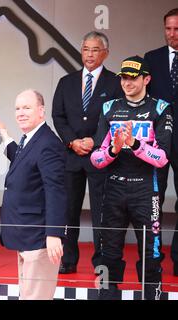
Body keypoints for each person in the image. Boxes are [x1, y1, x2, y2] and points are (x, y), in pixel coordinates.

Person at [91, 56, 172, 300]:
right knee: (108, 253)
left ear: (146, 79)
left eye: (132, 78)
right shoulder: (109, 108)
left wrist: (134, 143)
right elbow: (96, 159)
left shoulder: (160, 108)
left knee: (151, 252)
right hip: (113, 189)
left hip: (146, 192)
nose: (126, 82)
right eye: (123, 77)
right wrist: (114, 150)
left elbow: (162, 158)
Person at [52, 31, 123, 274]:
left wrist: (95, 141)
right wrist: (72, 141)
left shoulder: (115, 82)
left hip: (100, 158)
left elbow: (117, 118)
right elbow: (58, 116)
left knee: (101, 213)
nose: (89, 54)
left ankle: (100, 262)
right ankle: (68, 259)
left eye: (95, 49)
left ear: (105, 53)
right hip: (71, 157)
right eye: (85, 49)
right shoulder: (66, 82)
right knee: (68, 211)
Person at [0, 89, 66, 300]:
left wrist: (54, 234)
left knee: (35, 297)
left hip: (40, 238)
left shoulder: (48, 143)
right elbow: (23, 161)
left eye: (27, 107)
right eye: (17, 108)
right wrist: (5, 136)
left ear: (41, 111)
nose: (20, 113)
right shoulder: (30, 138)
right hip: (26, 236)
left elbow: (55, 190)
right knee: (28, 295)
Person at [144, 8, 178, 276]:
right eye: (168, 29)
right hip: (158, 142)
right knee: (153, 199)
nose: (172, 34)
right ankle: (153, 258)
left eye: (177, 29)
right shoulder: (152, 59)